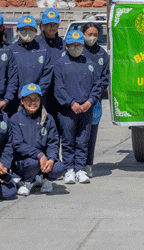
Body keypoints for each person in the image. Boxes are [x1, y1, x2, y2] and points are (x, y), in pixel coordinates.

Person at [53, 30, 104, 184]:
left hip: (86, 108)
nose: (76, 48)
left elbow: (97, 85)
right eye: (72, 45)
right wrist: (71, 103)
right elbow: (59, 88)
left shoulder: (89, 63)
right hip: (68, 110)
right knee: (68, 141)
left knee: (83, 140)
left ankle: (80, 169)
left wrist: (90, 101)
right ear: (66, 46)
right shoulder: (60, 64)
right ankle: (68, 169)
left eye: (79, 45)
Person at [10, 83, 64, 195]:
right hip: (24, 160)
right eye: (28, 99)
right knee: (33, 163)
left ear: (40, 100)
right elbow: (17, 144)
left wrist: (51, 159)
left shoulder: (48, 118)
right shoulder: (15, 119)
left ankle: (46, 180)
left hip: (43, 160)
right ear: (22, 101)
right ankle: (27, 182)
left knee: (59, 167)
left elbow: (53, 143)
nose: (33, 102)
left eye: (36, 99)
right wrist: (39, 154)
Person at [8, 15, 52, 115]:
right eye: (24, 29)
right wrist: (19, 95)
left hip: (36, 101)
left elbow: (46, 76)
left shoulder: (43, 51)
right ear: (17, 31)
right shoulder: (10, 50)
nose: (27, 32)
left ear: (36, 31)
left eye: (31, 29)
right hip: (16, 101)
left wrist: (35, 95)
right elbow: (8, 77)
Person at [81, 22, 109, 178]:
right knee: (76, 136)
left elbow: (105, 79)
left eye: (95, 35)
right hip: (77, 100)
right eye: (89, 34)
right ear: (83, 33)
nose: (91, 38)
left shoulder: (101, 54)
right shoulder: (77, 50)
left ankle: (88, 165)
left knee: (91, 135)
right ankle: (73, 165)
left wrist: (92, 97)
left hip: (94, 102)